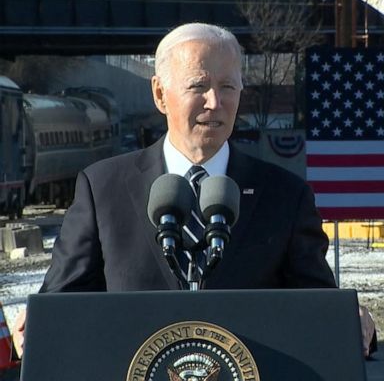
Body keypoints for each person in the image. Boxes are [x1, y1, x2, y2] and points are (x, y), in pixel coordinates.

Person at [12, 22, 375, 357]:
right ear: (159, 93)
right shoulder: (101, 189)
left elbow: (319, 310)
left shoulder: (285, 196)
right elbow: (62, 304)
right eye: (198, 86)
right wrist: (37, 326)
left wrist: (354, 322)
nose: (215, 102)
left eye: (228, 86)